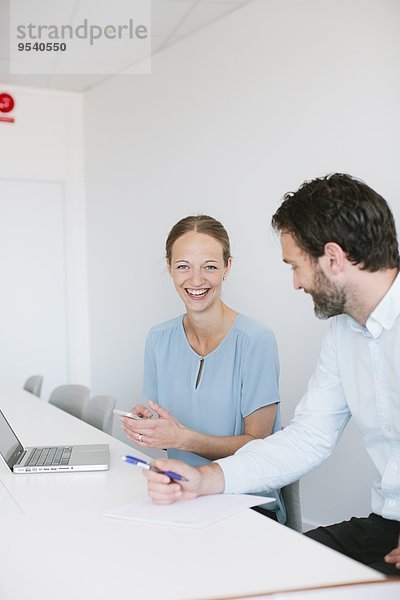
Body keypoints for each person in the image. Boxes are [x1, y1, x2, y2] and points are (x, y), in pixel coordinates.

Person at [142, 174, 400, 576]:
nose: (295, 283)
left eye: (296, 266)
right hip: (389, 524)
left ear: (332, 258)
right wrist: (205, 479)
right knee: (272, 567)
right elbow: (308, 438)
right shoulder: (343, 333)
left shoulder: (257, 338)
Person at [122, 214, 285, 521]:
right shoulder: (158, 339)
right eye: (183, 266)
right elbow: (167, 427)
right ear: (169, 267)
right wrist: (148, 424)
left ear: (227, 268)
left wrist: (181, 439)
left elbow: (258, 446)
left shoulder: (256, 340)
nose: (196, 280)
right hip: (179, 498)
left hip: (244, 505)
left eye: (209, 266)